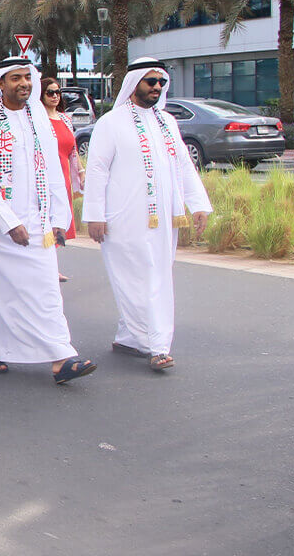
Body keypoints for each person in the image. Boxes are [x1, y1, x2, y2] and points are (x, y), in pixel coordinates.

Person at [0, 58, 95, 384]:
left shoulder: (38, 119)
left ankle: (61, 356)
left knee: (46, 289)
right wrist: (8, 222)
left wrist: (59, 217)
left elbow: (53, 171)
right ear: (1, 83)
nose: (24, 83)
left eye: (27, 77)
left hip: (37, 222)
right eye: (16, 78)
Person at [83, 58, 212, 372]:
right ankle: (156, 345)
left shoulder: (167, 121)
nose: (157, 87)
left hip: (163, 218)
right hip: (122, 217)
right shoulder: (111, 123)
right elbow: (97, 170)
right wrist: (95, 215)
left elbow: (183, 164)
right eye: (150, 81)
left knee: (156, 276)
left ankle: (132, 338)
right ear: (134, 83)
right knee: (135, 279)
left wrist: (198, 204)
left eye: (161, 82)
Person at [41, 75, 84, 282]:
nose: (55, 96)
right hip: (45, 177)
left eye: (58, 92)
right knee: (47, 219)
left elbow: (73, 149)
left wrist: (80, 171)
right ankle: (45, 265)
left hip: (64, 176)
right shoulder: (38, 119)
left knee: (60, 219)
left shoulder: (65, 119)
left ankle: (52, 265)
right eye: (50, 92)